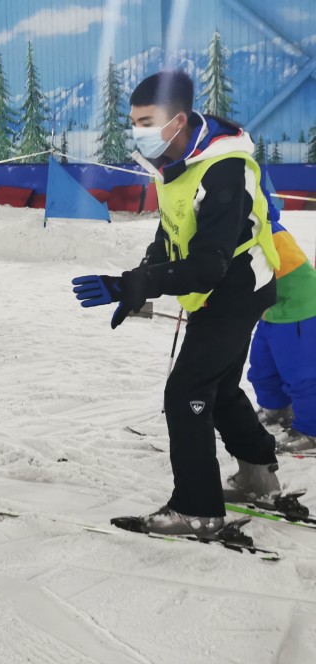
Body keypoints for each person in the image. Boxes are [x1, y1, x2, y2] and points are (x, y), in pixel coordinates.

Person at [71, 69, 304, 537]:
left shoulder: (224, 169)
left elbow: (210, 263)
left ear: (177, 120)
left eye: (146, 121)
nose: (138, 130)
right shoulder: (175, 162)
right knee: (218, 385)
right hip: (219, 287)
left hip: (236, 285)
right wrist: (141, 278)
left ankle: (198, 509)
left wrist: (131, 284)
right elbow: (171, 230)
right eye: (133, 121)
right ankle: (259, 475)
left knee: (187, 391)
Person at [246, 192, 316, 454]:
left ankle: (312, 431)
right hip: (272, 307)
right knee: (262, 367)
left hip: (300, 306)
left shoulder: (257, 226)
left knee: (303, 375)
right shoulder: (241, 222)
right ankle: (276, 409)